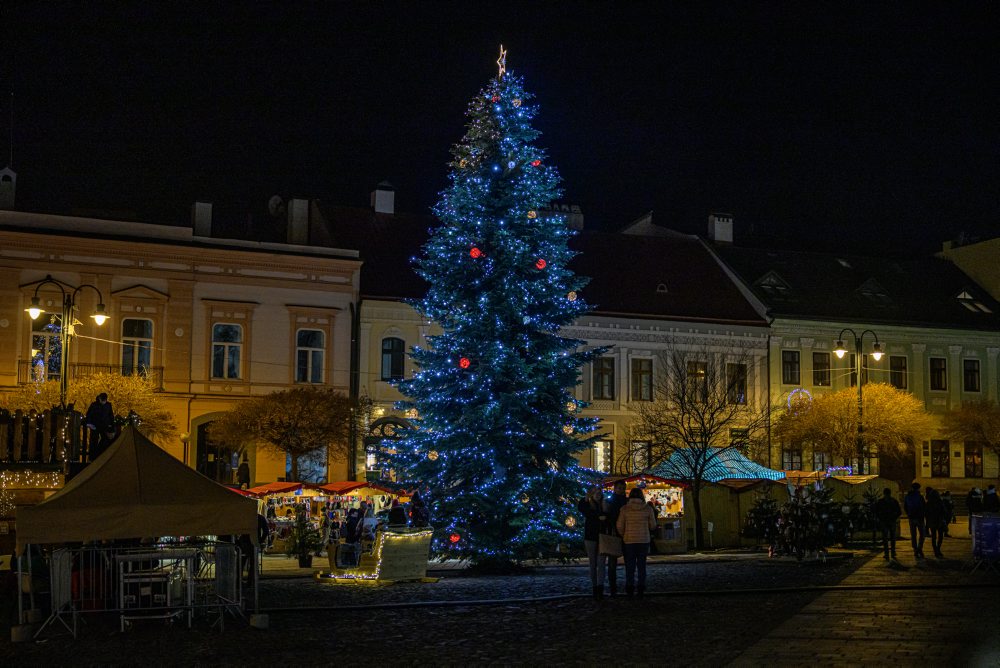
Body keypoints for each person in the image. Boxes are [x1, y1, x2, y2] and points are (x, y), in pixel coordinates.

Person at [616, 487, 657, 597]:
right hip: (643, 540)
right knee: (641, 565)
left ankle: (629, 587)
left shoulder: (625, 509)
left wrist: (623, 534)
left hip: (629, 541)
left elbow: (619, 525)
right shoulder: (648, 509)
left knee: (630, 566)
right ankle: (641, 588)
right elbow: (653, 525)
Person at [577, 485, 607, 600]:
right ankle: (595, 587)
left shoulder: (604, 504)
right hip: (590, 537)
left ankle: (600, 587)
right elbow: (581, 508)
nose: (598, 494)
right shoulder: (588, 504)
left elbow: (609, 516)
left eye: (599, 491)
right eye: (596, 492)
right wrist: (586, 497)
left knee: (601, 564)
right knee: (593, 564)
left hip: (602, 537)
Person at [605, 480, 628, 596]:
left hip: (625, 534)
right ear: (615, 489)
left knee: (627, 561)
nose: (621, 490)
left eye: (622, 488)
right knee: (612, 562)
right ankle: (613, 587)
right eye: (619, 488)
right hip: (614, 534)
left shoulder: (626, 501)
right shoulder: (611, 501)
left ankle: (626, 586)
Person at [873, 488, 901, 561]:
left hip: (884, 522)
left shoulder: (881, 502)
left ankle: (886, 553)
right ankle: (893, 552)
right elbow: (899, 511)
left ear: (884, 493)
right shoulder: (894, 501)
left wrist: (880, 518)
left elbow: (876, 511)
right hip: (891, 521)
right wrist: (894, 517)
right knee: (892, 538)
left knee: (885, 538)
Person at [84, 392, 116, 460]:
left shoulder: (107, 405)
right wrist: (89, 423)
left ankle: (97, 453)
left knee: (104, 439)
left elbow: (111, 415)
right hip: (95, 426)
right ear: (99, 399)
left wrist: (111, 424)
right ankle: (93, 456)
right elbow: (89, 414)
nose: (103, 402)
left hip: (104, 426)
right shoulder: (94, 405)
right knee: (94, 440)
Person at [903, 482, 926, 559]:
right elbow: (924, 507)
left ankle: (915, 549)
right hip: (919, 518)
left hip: (911, 518)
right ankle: (919, 548)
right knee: (922, 534)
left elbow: (905, 506)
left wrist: (908, 514)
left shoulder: (908, 496)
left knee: (913, 535)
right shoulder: (920, 497)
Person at [924, 486, 946, 559]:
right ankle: (938, 549)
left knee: (934, 537)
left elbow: (926, 513)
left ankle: (935, 550)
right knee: (940, 536)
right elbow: (944, 512)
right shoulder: (940, 502)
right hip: (939, 521)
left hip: (932, 521)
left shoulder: (929, 503)